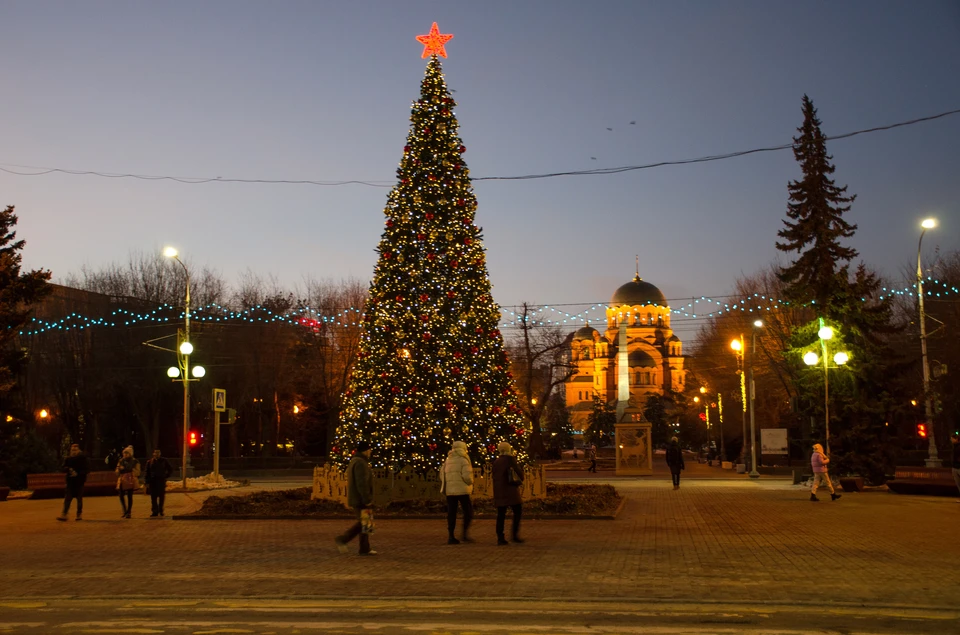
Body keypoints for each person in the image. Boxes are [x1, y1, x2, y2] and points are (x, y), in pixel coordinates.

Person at [335, 440, 375, 555]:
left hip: (359, 498)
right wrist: (367, 499)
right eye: (369, 449)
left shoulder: (356, 461)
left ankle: (365, 548)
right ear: (365, 451)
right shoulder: (360, 463)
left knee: (366, 523)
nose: (370, 452)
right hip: (361, 499)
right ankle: (343, 539)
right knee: (364, 522)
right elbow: (361, 483)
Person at [440, 440, 474, 544]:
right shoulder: (464, 460)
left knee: (451, 513)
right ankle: (464, 533)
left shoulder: (448, 460)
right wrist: (470, 482)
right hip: (462, 490)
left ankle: (451, 535)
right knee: (468, 511)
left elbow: (441, 474)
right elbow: (467, 476)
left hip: (450, 491)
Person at [492, 442, 524, 545]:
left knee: (501, 514)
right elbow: (519, 474)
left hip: (499, 491)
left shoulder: (496, 461)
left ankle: (500, 537)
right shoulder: (510, 460)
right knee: (517, 511)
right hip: (511, 490)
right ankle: (514, 535)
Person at [57, 444, 89, 521]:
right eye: (72, 450)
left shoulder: (83, 459)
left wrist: (78, 473)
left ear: (79, 451)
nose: (73, 451)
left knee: (79, 499)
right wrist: (68, 469)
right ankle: (64, 514)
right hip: (70, 482)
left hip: (79, 482)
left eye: (75, 450)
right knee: (67, 498)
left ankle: (79, 514)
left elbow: (87, 470)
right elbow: (62, 468)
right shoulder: (68, 459)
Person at [144, 449, 173, 517]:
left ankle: (161, 510)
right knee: (153, 497)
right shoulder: (150, 462)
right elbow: (147, 472)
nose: (156, 454)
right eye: (155, 452)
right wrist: (146, 481)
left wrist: (165, 476)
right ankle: (155, 511)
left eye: (158, 452)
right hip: (152, 482)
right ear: (153, 454)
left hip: (161, 481)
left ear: (160, 453)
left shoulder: (164, 461)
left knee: (161, 497)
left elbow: (170, 469)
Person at [115, 446, 141, 518]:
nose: (125, 455)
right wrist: (118, 470)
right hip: (122, 480)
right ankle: (124, 510)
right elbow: (117, 470)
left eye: (126, 453)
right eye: (124, 453)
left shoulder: (135, 461)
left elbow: (138, 472)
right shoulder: (121, 461)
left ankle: (128, 512)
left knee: (130, 496)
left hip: (130, 479)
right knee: (121, 496)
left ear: (130, 454)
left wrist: (131, 470)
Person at [951, 435, 960, 503]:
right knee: (958, 484)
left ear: (956, 439)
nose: (951, 440)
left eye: (952, 439)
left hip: (958, 467)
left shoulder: (958, 447)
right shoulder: (954, 447)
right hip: (955, 467)